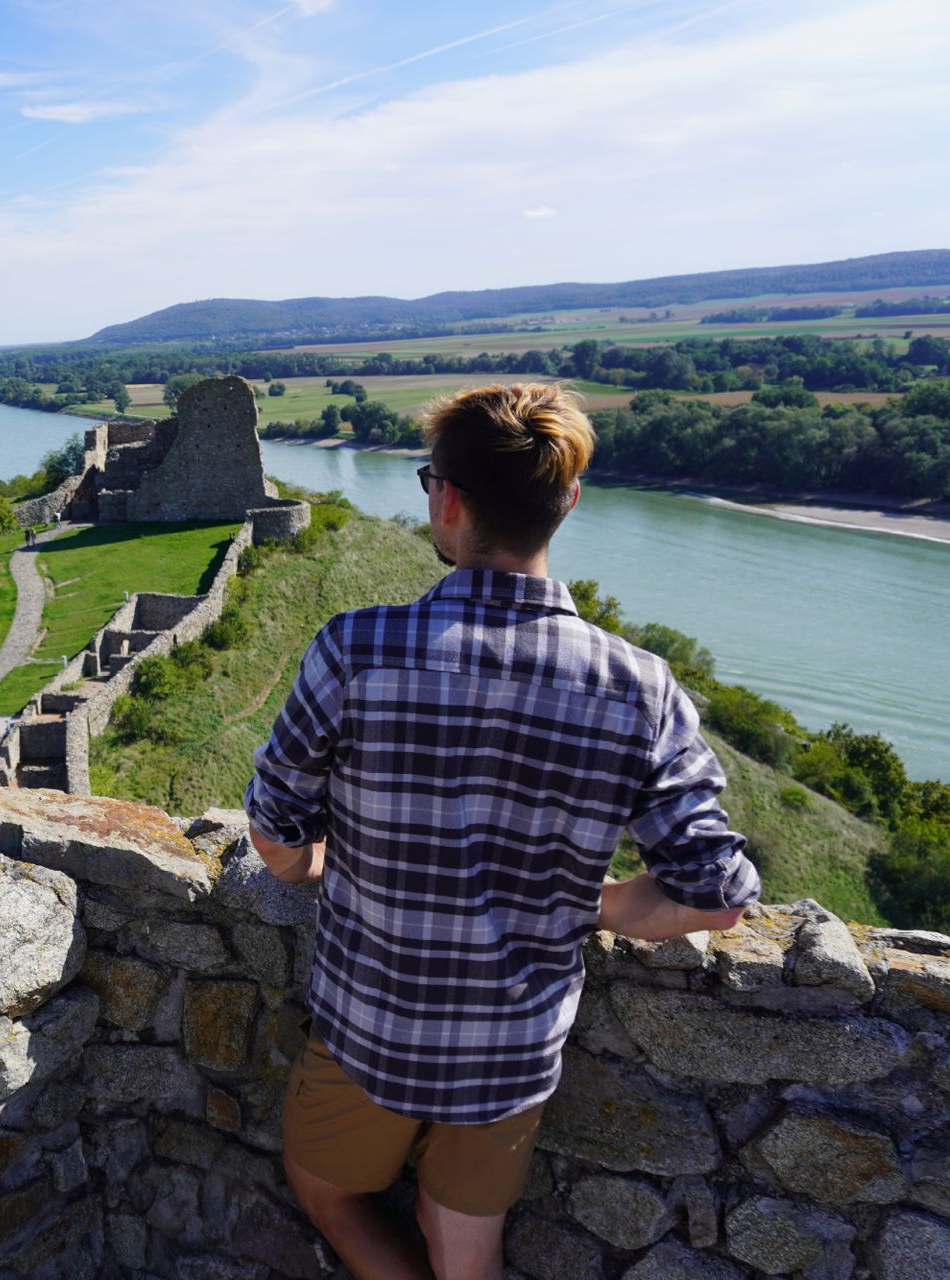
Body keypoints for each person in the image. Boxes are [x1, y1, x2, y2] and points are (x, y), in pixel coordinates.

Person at [245, 383, 759, 1280]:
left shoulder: (355, 650)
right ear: (569, 501)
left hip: (370, 1028)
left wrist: (301, 867)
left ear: (446, 497)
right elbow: (713, 896)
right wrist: (583, 902)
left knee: (323, 1186)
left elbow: (276, 828)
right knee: (466, 1251)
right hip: (511, 1053)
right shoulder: (638, 688)